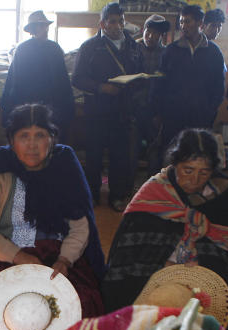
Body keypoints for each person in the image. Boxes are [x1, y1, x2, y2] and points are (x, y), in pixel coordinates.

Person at [101, 129, 228, 330]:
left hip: (202, 267)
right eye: (188, 170)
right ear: (175, 164)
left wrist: (200, 257)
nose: (194, 180)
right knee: (129, 282)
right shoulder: (156, 191)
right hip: (155, 270)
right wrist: (167, 260)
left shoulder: (222, 193)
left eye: (204, 173)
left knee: (222, 278)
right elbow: (128, 246)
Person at [0, 104, 105, 317]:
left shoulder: (64, 168)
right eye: (24, 136)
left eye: (40, 135)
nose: (32, 144)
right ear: (12, 141)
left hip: (57, 257)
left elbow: (80, 225)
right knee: (17, 305)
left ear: (52, 140)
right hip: (4, 256)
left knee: (80, 302)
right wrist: (19, 256)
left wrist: (65, 260)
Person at [72, 3, 142, 211]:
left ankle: (117, 196)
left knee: (120, 156)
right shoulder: (89, 47)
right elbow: (77, 78)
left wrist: (136, 81)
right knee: (93, 156)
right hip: (97, 111)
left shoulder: (133, 46)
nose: (118, 25)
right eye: (112, 21)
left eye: (121, 21)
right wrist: (101, 88)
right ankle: (92, 195)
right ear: (102, 23)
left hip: (123, 112)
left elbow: (140, 73)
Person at [154, 5, 225, 150]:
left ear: (200, 23)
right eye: (181, 22)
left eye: (187, 22)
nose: (183, 26)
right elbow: (159, 83)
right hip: (173, 116)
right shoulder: (171, 51)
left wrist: (209, 110)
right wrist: (158, 112)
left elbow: (218, 86)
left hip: (201, 116)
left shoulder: (214, 52)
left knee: (196, 154)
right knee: (171, 157)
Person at [0, 11, 75, 133]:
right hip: (27, 103)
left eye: (45, 25)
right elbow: (14, 82)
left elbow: (62, 80)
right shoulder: (23, 49)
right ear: (32, 29)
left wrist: (67, 108)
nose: (44, 29)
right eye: (40, 26)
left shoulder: (54, 48)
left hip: (52, 104)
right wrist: (9, 110)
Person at [134, 14, 171, 175]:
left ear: (162, 36)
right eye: (148, 31)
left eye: (155, 33)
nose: (150, 36)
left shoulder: (167, 54)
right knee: (130, 148)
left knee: (154, 148)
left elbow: (168, 86)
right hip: (133, 107)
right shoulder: (132, 49)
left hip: (155, 110)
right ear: (143, 30)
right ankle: (128, 189)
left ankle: (153, 185)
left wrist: (160, 113)